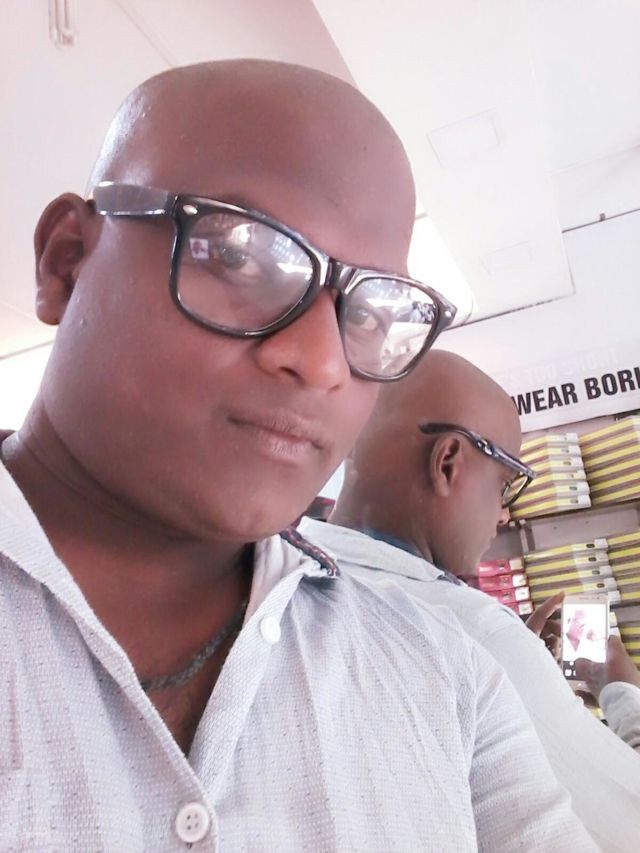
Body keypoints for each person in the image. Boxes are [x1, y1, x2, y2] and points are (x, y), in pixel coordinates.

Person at [0, 60, 595, 851]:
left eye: (373, 311)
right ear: (65, 260)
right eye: (240, 256)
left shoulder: (446, 673)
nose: (320, 362)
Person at [300, 348, 640, 851]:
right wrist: (620, 690)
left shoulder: (288, 591)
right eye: (505, 484)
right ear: (448, 463)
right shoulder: (473, 633)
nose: (503, 515)